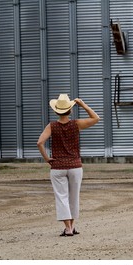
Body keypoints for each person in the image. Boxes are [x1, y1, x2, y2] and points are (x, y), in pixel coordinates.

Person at [37, 94, 100, 237]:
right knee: (74, 197)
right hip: (75, 166)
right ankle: (72, 226)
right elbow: (96, 118)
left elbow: (39, 142)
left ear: (56, 111)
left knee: (61, 197)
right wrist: (83, 105)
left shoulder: (51, 126)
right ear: (70, 110)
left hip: (58, 167)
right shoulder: (76, 124)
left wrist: (47, 158)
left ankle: (68, 228)